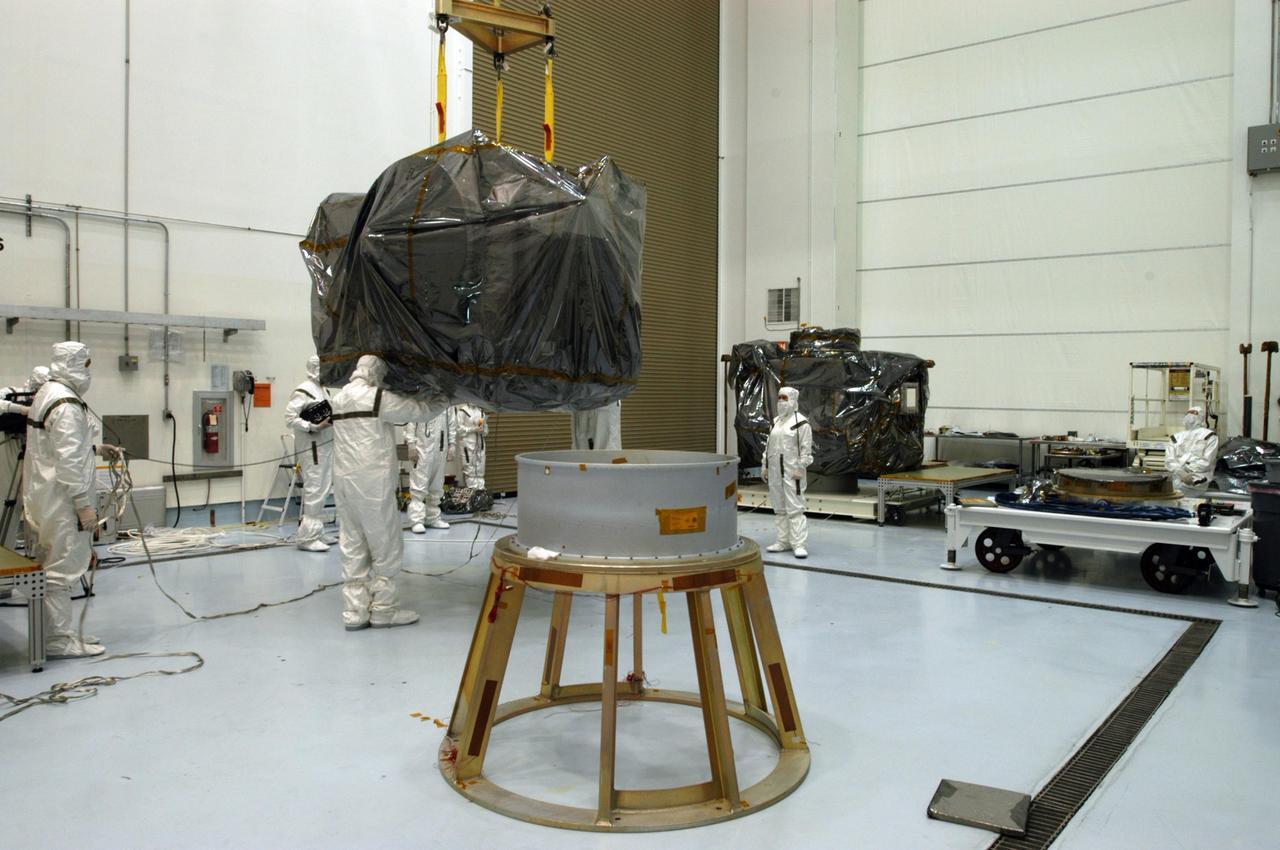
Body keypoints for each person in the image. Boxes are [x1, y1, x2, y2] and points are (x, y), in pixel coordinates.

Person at [330, 355, 445, 630]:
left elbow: (313, 418)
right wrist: (445, 398)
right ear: (377, 374)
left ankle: (354, 612)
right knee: (385, 544)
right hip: (372, 481)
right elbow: (419, 412)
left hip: (344, 480)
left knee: (352, 542)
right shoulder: (376, 398)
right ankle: (384, 610)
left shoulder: (338, 400)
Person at [23, 343, 106, 657]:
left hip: (44, 496)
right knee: (62, 568)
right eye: (86, 364)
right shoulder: (67, 403)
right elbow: (69, 461)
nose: (88, 371)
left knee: (51, 564)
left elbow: (57, 446)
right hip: (63, 500)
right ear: (74, 364)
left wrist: (97, 450)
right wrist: (83, 505)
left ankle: (59, 633)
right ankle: (58, 641)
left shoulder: (48, 393)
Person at [283, 356, 334, 552]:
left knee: (323, 487)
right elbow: (289, 417)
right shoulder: (303, 390)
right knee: (314, 487)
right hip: (313, 447)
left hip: (325, 446)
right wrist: (312, 426)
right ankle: (307, 537)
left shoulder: (323, 390)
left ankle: (316, 531)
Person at [763, 386, 813, 559]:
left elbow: (806, 450)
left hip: (793, 473)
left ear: (793, 400)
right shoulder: (776, 422)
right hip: (776, 472)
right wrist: (765, 465)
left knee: (795, 508)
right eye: (779, 398)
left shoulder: (801, 424)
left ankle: (798, 544)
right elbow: (768, 446)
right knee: (779, 507)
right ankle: (782, 541)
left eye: (785, 398)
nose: (781, 402)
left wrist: (801, 466)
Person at [406, 409, 452, 533]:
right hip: (422, 449)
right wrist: (411, 444)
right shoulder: (420, 400)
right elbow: (411, 422)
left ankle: (433, 518)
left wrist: (452, 445)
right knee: (419, 485)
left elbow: (451, 424)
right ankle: (417, 520)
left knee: (436, 486)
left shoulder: (447, 404)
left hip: (440, 449)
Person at [1166, 406, 1218, 494]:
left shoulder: (1209, 436)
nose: (1190, 417)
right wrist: (1181, 472)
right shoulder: (1176, 437)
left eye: (1194, 414)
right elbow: (1169, 460)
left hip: (1198, 479)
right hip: (1176, 479)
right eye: (1188, 414)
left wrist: (1187, 471)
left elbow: (1206, 462)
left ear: (1200, 418)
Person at [453, 403, 488, 489]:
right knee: (470, 470)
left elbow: (486, 431)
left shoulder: (481, 412)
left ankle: (480, 491)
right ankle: (473, 492)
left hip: (480, 444)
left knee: (480, 469)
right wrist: (472, 429)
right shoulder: (463, 411)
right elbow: (459, 429)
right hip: (467, 444)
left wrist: (483, 430)